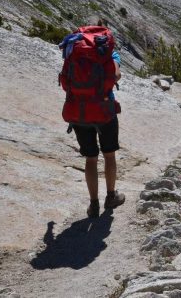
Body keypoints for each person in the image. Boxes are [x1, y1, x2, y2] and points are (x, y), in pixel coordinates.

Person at [63, 19, 126, 218]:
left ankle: (94, 204)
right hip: (104, 109)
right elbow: (115, 76)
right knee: (109, 155)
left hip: (79, 111)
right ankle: (111, 196)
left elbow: (66, 81)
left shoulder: (74, 51)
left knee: (91, 158)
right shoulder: (107, 52)